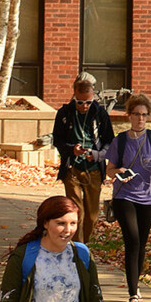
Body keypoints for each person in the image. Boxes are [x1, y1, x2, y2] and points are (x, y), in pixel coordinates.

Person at [104, 93, 151, 302]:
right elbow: (109, 170)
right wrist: (119, 171)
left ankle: (136, 284)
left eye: (144, 115)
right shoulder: (120, 141)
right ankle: (133, 294)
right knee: (132, 240)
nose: (140, 118)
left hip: (148, 197)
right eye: (136, 114)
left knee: (141, 243)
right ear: (129, 115)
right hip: (124, 196)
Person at [52, 78, 114, 243]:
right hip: (72, 168)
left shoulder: (100, 114)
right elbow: (57, 140)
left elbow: (110, 142)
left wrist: (97, 154)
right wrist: (72, 149)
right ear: (74, 96)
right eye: (80, 102)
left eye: (88, 102)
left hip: (93, 169)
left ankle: (85, 245)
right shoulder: (65, 113)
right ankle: (75, 247)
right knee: (76, 212)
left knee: (92, 214)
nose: (84, 106)